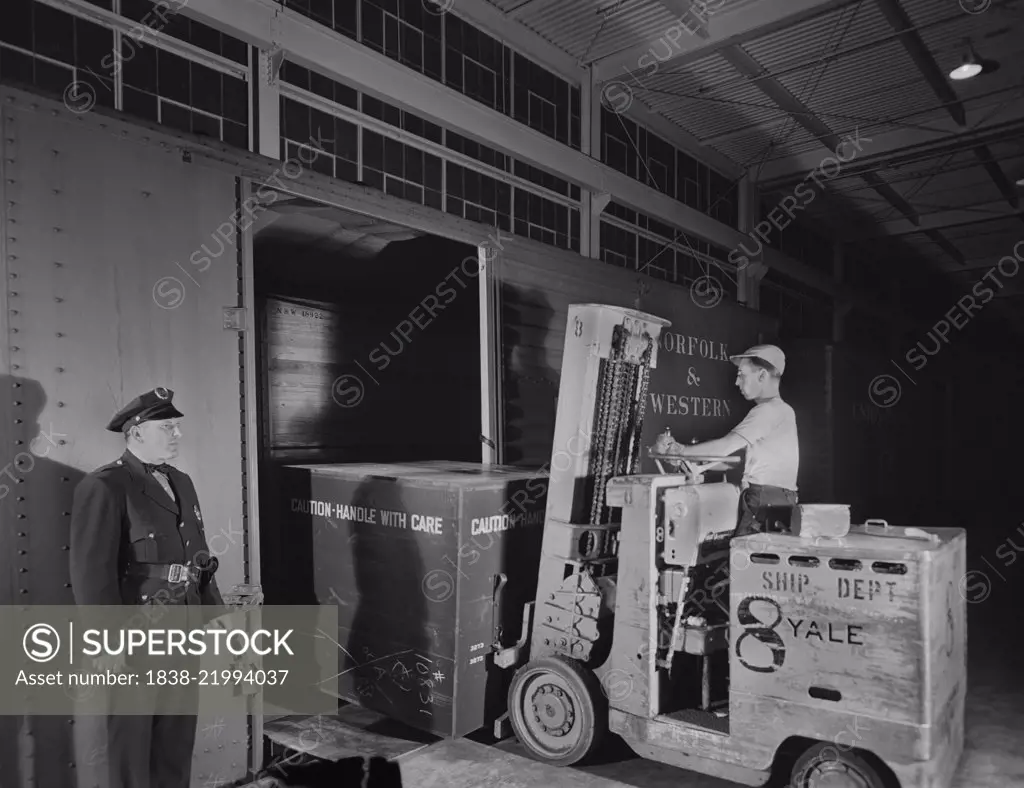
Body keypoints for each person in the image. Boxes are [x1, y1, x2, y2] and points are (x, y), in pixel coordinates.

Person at [69, 386, 226, 788]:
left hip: (183, 629)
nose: (177, 435)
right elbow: (92, 573)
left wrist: (213, 617)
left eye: (177, 427)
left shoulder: (182, 482)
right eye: (167, 428)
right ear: (136, 433)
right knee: (133, 743)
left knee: (176, 739)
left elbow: (199, 554)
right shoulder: (105, 486)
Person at [654, 344, 799, 537]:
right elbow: (732, 462)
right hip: (776, 498)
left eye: (742, 374)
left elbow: (726, 446)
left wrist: (680, 451)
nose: (737, 382)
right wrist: (686, 457)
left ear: (762, 376)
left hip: (765, 499)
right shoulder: (782, 412)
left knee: (746, 560)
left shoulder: (767, 411)